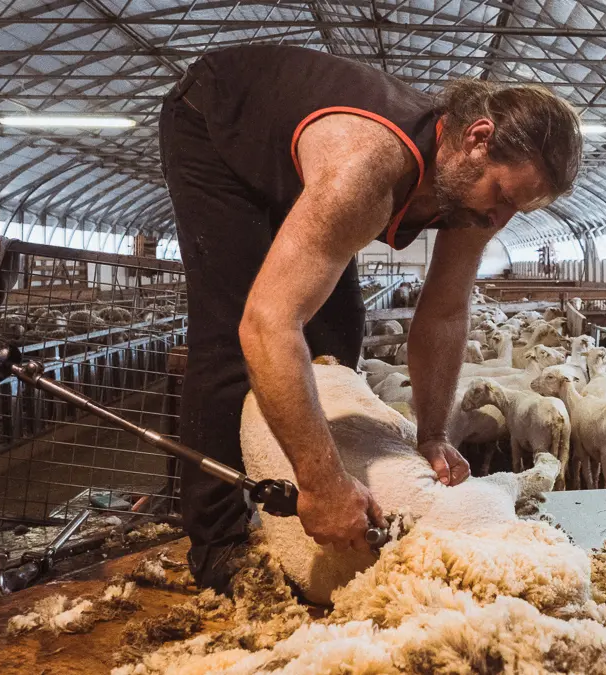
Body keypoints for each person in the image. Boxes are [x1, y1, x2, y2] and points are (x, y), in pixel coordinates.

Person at [158, 44, 583, 589]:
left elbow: (447, 313)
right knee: (230, 329)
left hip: (305, 162)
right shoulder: (366, 169)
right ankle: (218, 540)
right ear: (477, 140)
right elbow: (268, 322)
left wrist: (433, 434)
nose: (497, 219)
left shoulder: (471, 197)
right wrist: (321, 483)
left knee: (339, 332)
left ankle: (325, 491)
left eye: (515, 210)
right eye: (501, 195)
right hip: (216, 125)